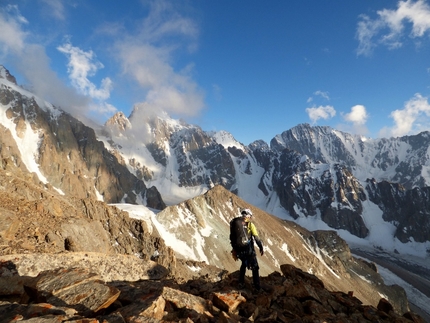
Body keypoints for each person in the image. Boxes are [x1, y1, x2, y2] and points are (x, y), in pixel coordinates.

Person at [230, 208, 264, 290]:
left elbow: (232, 237)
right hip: (248, 249)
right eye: (250, 216)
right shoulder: (249, 224)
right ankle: (257, 287)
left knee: (244, 264)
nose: (250, 218)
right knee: (255, 267)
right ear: (248, 215)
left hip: (238, 250)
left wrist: (234, 250)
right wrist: (261, 247)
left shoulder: (235, 223)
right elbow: (256, 237)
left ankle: (241, 283)